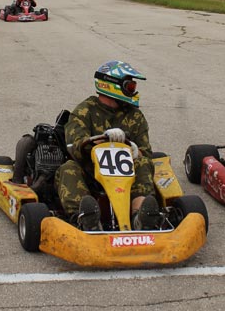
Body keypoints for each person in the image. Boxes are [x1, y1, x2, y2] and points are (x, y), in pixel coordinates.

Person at [54, 61, 160, 231]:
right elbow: (74, 146)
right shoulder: (84, 111)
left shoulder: (135, 116)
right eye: (130, 86)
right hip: (92, 174)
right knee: (68, 168)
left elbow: (146, 153)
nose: (133, 90)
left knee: (144, 163)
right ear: (112, 85)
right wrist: (100, 141)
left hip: (126, 176)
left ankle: (139, 217)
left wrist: (133, 149)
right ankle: (84, 219)